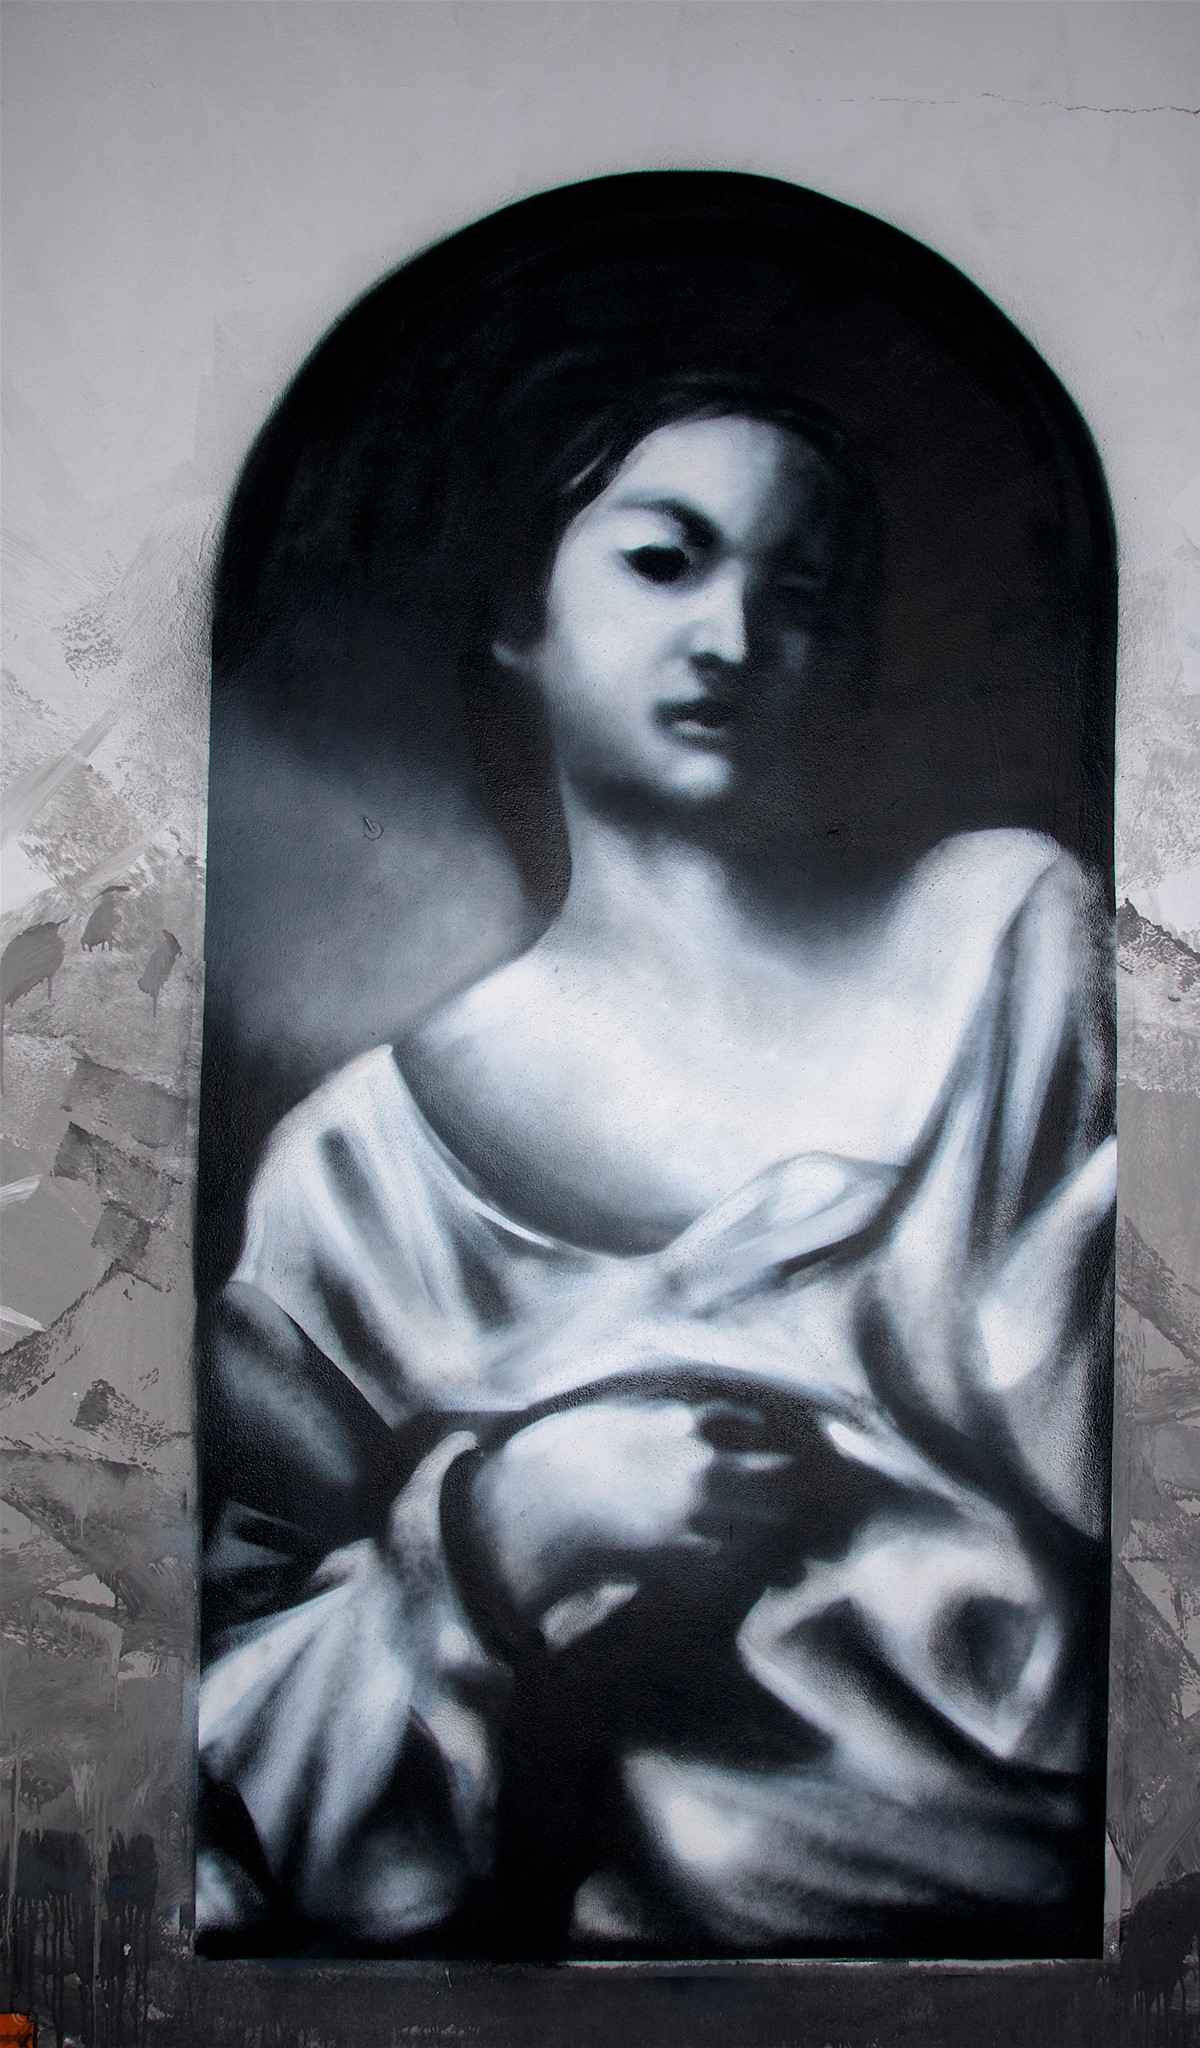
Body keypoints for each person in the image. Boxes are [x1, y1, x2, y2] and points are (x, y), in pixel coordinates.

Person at [196, 379, 1115, 1959]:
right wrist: (504, 1533)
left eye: (800, 593)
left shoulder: (1010, 947)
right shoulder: (358, 1177)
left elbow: (1153, 1516)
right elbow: (238, 1743)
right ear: (520, 617)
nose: (732, 635)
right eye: (664, 561)